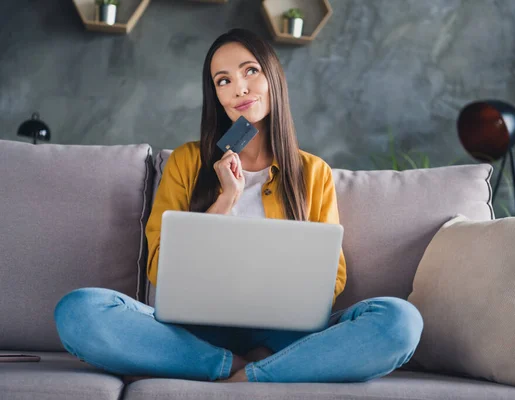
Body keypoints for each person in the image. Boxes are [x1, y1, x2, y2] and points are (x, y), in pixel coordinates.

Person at [54, 28, 423, 384]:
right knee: (79, 311)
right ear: (215, 95)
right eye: (223, 80)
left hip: (286, 332)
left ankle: (245, 373)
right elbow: (160, 268)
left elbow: (332, 276)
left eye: (250, 71)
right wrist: (226, 198)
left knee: (400, 321)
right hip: (194, 332)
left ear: (273, 78)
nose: (239, 88)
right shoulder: (187, 161)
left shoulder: (312, 172)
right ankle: (243, 366)